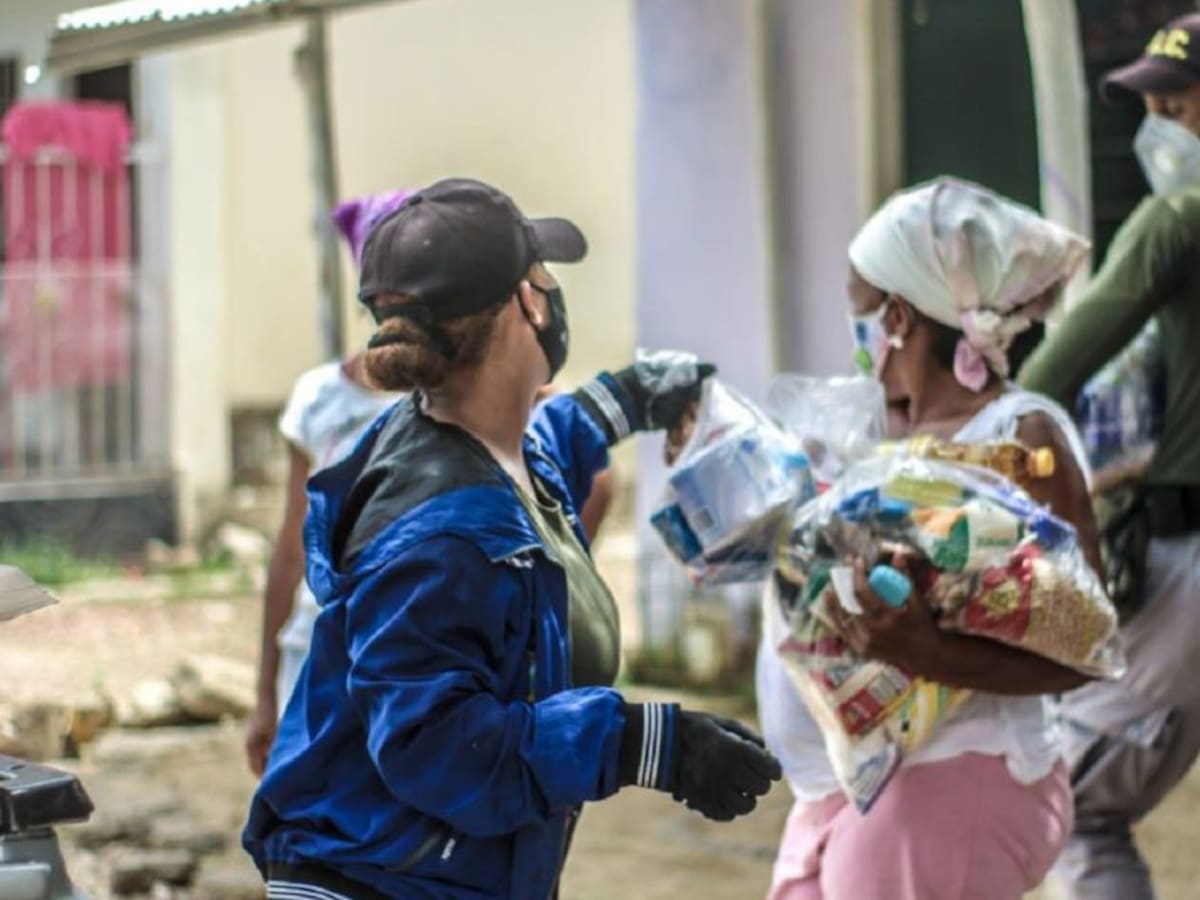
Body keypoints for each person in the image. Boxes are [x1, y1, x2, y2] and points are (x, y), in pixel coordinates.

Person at [242, 177, 781, 900]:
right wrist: (646, 745)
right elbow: (439, 748)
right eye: (547, 279)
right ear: (529, 301)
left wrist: (637, 395)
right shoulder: (439, 535)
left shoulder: (483, 444)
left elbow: (548, 443)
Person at [760, 177, 1099, 900]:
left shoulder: (1018, 438)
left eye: (860, 312)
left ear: (900, 317)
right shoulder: (877, 438)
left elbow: (1085, 651)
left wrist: (931, 654)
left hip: (956, 781)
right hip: (854, 787)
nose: (855, 339)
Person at [1018, 13, 1200, 898]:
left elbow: (1053, 372)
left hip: (1189, 558)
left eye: (1176, 105)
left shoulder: (1179, 219)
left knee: (1073, 799)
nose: (1159, 129)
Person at [244, 189, 409, 777]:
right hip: (313, 653)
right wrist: (265, 694)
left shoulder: (453, 398)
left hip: (406, 662)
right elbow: (290, 547)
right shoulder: (318, 400)